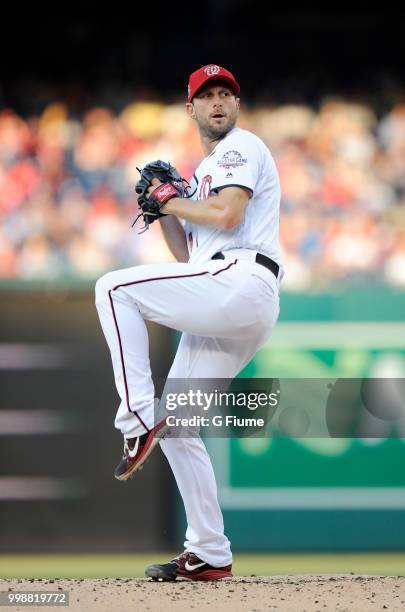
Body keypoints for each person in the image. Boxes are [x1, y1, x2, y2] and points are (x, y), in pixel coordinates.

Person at [95, 64, 283, 581]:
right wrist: (166, 214)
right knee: (177, 428)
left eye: (226, 94)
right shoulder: (205, 171)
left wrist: (174, 199)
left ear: (237, 106)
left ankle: (134, 423)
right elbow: (187, 257)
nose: (218, 102)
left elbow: (227, 216)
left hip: (242, 280)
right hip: (229, 292)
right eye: (208, 95)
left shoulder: (241, 147)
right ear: (192, 108)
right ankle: (209, 552)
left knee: (111, 288)